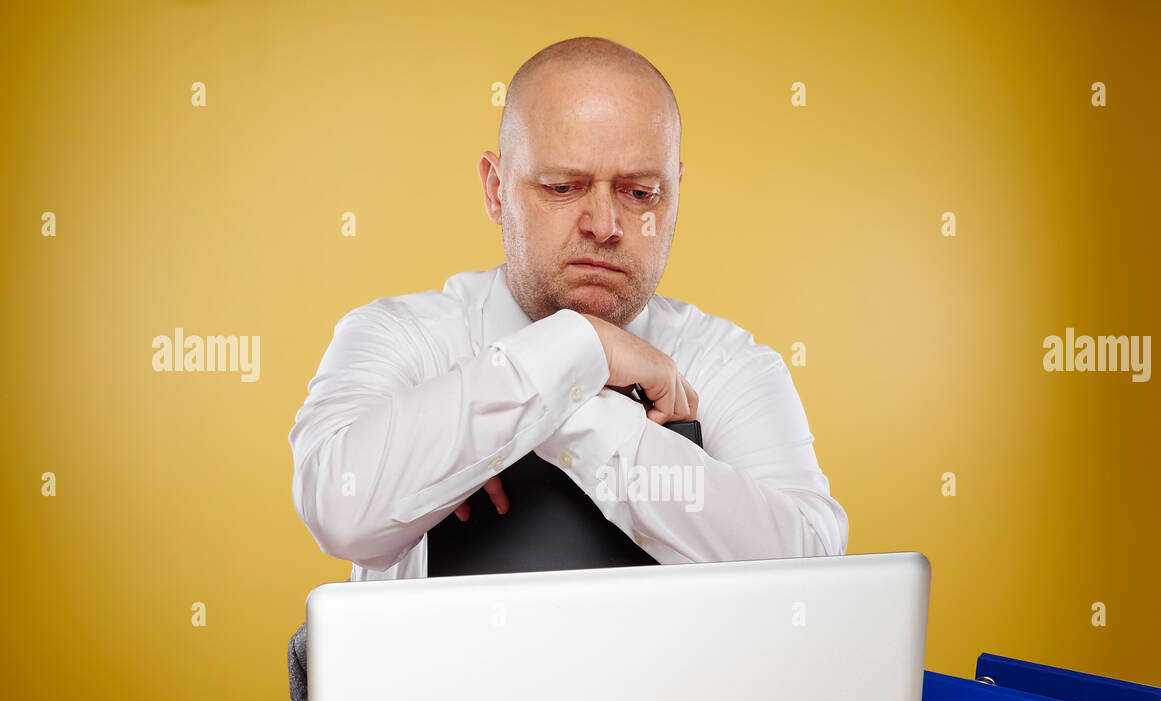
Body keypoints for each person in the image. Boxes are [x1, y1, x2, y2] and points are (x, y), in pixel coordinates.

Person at [287, 36, 849, 581]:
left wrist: (561, 406)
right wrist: (581, 348)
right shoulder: (399, 337)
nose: (604, 226)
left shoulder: (731, 366)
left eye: (639, 193)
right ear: (495, 189)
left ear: (675, 195)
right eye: (562, 187)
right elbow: (340, 511)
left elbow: (810, 569)